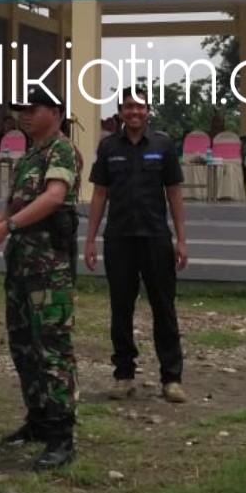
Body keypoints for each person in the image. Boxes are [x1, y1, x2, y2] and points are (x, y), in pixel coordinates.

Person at [0, 89, 80, 471]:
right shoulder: (30, 154)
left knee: (52, 350)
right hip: (23, 266)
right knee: (23, 346)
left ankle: (62, 435)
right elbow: (17, 205)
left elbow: (53, 197)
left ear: (56, 113)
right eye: (21, 111)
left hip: (49, 267)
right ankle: (38, 420)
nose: (25, 117)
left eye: (33, 110)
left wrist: (7, 228)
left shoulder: (61, 150)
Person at [84, 87, 190, 404]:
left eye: (140, 107)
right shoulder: (107, 147)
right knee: (121, 309)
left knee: (164, 308)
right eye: (128, 107)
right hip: (119, 238)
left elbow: (173, 193)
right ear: (120, 112)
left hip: (156, 238)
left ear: (148, 111)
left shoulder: (163, 145)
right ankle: (124, 375)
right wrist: (90, 239)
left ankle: (171, 378)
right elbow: (100, 194)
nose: (134, 112)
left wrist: (181, 239)